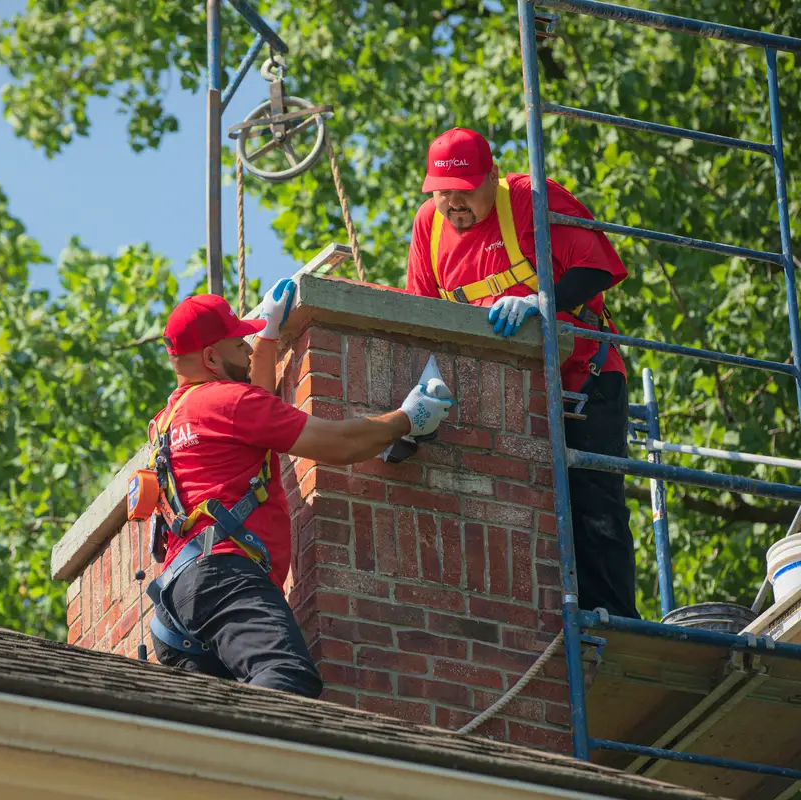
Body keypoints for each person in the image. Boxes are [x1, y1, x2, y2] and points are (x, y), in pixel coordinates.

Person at [144, 281, 455, 696]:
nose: (250, 349)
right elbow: (339, 444)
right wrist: (407, 419)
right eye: (241, 343)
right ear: (212, 357)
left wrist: (270, 334)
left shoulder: (171, 417)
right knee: (286, 681)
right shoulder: (228, 404)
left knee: (216, 722)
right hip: (225, 576)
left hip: (179, 602)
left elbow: (253, 406)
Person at [403, 126, 639, 620]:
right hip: (500, 392)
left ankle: (614, 624)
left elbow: (596, 269)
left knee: (593, 502)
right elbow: (419, 317)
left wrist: (541, 301)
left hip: (583, 378)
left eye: (464, 191)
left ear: (491, 177)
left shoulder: (532, 200)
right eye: (441, 193)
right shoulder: (428, 228)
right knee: (512, 503)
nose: (452, 204)